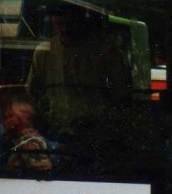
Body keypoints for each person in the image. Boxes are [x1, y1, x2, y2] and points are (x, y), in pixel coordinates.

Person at [26, 8, 130, 136]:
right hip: (56, 134)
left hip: (97, 135)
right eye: (60, 24)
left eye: (70, 23)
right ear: (52, 20)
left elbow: (120, 96)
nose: (65, 29)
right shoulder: (44, 52)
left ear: (81, 18)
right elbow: (33, 95)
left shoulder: (105, 51)